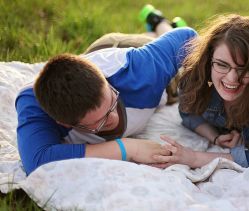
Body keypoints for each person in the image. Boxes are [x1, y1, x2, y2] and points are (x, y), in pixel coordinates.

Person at [15, 17, 197, 175]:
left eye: (112, 102)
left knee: (173, 63)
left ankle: (160, 23)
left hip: (125, 46)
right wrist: (127, 148)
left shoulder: (139, 69)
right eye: (100, 122)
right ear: (64, 123)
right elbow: (37, 162)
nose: (114, 117)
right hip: (92, 55)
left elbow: (187, 37)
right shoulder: (36, 104)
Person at [151, 1, 249, 168]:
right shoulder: (196, 72)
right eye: (222, 64)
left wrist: (194, 157)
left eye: (245, 69)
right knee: (242, 51)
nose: (232, 78)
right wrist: (214, 136)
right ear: (209, 60)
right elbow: (188, 113)